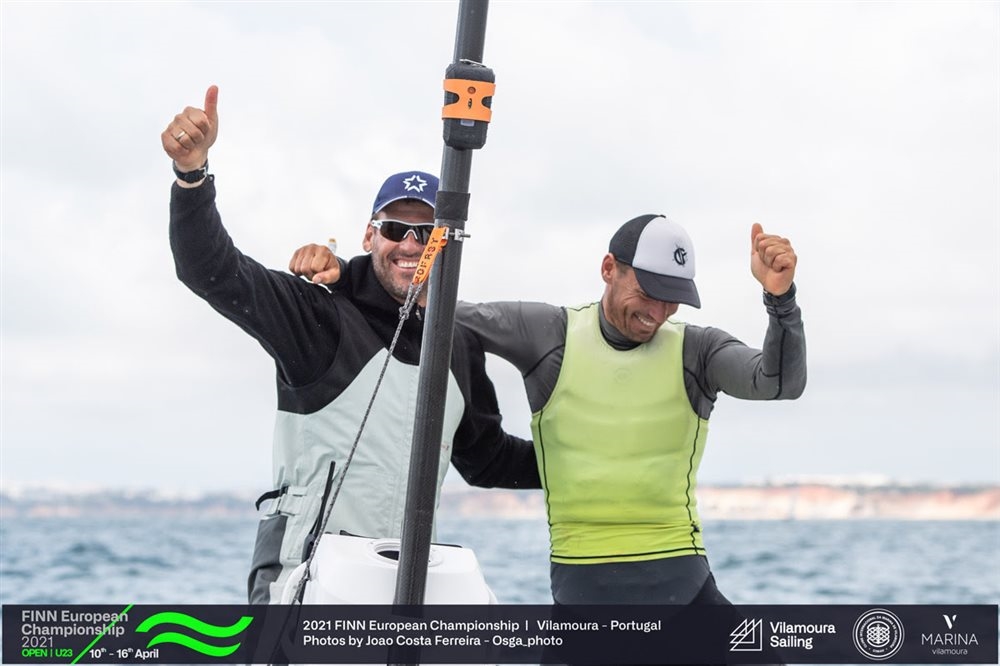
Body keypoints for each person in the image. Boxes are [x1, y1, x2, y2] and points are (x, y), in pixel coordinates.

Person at [289, 213, 806, 607]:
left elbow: (779, 382)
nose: (658, 312)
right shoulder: (550, 334)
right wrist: (346, 277)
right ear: (608, 269)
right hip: (582, 597)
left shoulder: (698, 351)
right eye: (648, 292)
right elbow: (434, 311)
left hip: (684, 587)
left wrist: (780, 300)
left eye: (672, 299)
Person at [161, 85, 539, 605]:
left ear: (447, 244)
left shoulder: (458, 346)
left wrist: (585, 461)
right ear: (369, 237)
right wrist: (192, 176)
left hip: (405, 588)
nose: (410, 244)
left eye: (428, 232)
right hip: (302, 581)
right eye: (395, 228)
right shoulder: (317, 316)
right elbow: (212, 269)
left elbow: (488, 460)